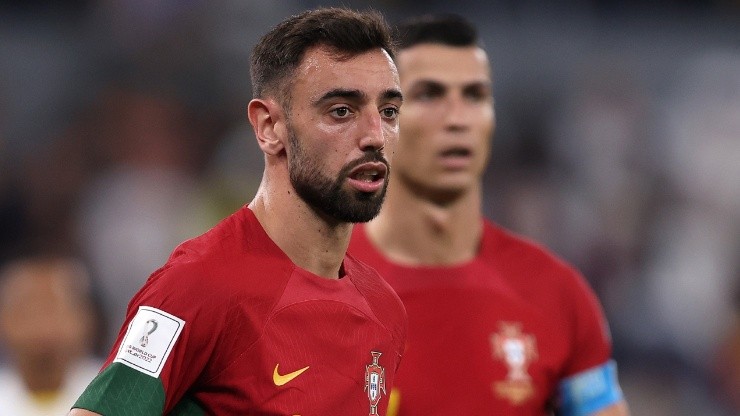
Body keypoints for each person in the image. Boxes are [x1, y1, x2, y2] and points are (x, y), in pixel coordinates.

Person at [68, 7, 406, 415]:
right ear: (268, 127)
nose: (375, 136)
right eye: (341, 111)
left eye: (388, 112)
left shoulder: (384, 310)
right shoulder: (196, 285)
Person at [348, 14, 630, 416]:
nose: (457, 118)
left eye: (475, 96)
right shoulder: (312, 287)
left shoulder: (556, 294)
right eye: (429, 94)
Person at [0, 256, 101, 415]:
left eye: (56, 309)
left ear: (86, 319)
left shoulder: (116, 394)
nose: (44, 325)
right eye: (30, 311)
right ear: (5, 320)